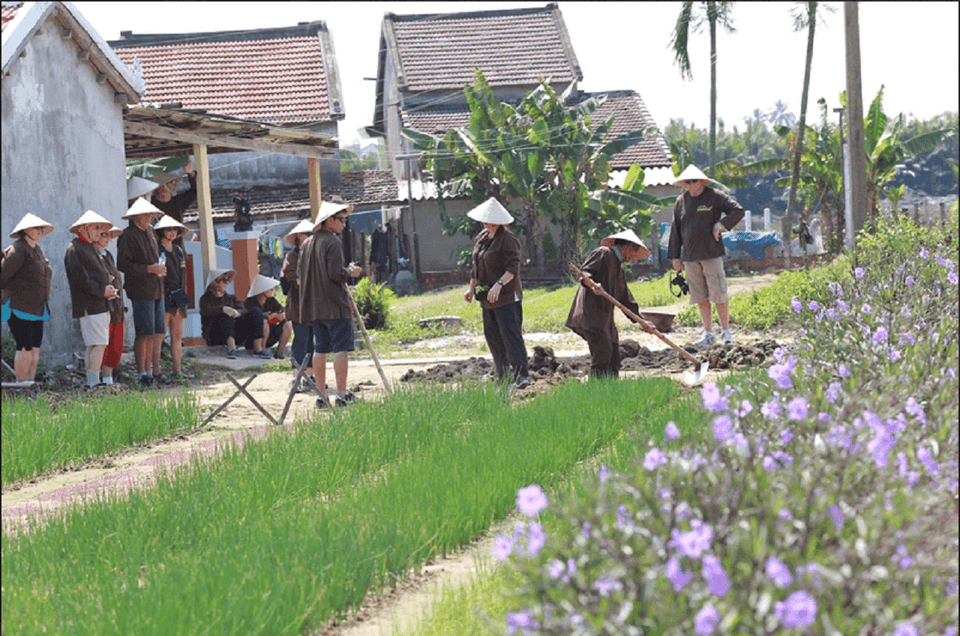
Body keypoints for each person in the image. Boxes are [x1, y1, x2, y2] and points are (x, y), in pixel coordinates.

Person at [666, 165, 745, 347]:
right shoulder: (681, 201)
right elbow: (675, 230)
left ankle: (726, 332)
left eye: (693, 181)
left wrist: (721, 224)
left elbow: (737, 211)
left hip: (711, 253)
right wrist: (675, 257)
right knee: (700, 296)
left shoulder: (715, 196)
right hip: (690, 256)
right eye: (687, 181)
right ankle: (708, 333)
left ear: (701, 181)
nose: (690, 184)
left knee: (718, 293)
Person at [566, 229, 655, 379]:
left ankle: (610, 391)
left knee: (614, 358)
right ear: (627, 247)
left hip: (606, 321)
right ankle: (594, 392)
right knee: (602, 356)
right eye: (634, 252)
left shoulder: (619, 270)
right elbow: (585, 273)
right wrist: (593, 284)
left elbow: (626, 300)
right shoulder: (603, 253)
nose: (633, 258)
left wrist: (641, 321)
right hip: (590, 315)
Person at [298, 202, 362, 408]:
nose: (344, 224)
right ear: (329, 221)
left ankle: (322, 396)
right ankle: (342, 395)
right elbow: (335, 273)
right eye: (341, 219)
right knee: (340, 349)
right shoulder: (332, 242)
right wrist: (350, 272)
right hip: (335, 305)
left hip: (315, 307)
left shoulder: (306, 244)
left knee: (320, 349)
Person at [464, 197, 532, 389]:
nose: (486, 222)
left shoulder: (508, 240)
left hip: (506, 296)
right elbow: (475, 267)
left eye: (489, 219)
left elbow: (513, 267)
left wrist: (499, 284)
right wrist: (471, 288)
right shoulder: (482, 238)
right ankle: (503, 376)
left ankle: (522, 375)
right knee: (492, 336)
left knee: (510, 335)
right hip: (487, 298)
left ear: (498, 221)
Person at [64, 210, 120, 390]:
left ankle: (92, 381)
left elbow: (94, 275)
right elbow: (81, 280)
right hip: (91, 304)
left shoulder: (86, 247)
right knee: (99, 343)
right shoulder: (76, 248)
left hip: (96, 303)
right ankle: (94, 382)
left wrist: (106, 284)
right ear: (85, 228)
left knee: (93, 344)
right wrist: (102, 291)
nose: (99, 232)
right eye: (97, 228)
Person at [117, 198, 167, 387]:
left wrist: (159, 269)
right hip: (140, 289)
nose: (150, 218)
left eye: (152, 215)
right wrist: (148, 269)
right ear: (137, 216)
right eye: (147, 215)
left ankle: (153, 370)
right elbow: (122, 264)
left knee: (156, 332)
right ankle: (142, 372)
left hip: (158, 288)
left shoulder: (152, 232)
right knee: (144, 331)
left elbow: (157, 258)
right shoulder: (127, 235)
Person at [1, 213, 54, 384]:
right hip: (18, 306)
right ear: (26, 230)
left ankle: (29, 387)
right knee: (24, 348)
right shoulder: (17, 250)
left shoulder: (37, 249)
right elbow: (3, 277)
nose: (40, 231)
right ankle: (20, 386)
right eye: (36, 228)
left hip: (37, 306)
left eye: (41, 228)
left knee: (35, 350)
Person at [155, 215, 192, 379]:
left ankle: (177, 370)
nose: (172, 232)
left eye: (175, 229)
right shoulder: (156, 249)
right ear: (161, 231)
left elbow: (183, 274)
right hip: (163, 296)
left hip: (178, 296)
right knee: (160, 336)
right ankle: (156, 371)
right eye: (168, 229)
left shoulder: (178, 251)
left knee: (177, 336)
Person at [281, 219, 315, 391]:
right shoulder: (292, 256)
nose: (308, 238)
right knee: (300, 340)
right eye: (306, 235)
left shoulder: (315, 254)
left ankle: (310, 376)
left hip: (314, 304)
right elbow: (289, 274)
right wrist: (301, 279)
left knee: (312, 342)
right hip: (297, 304)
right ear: (299, 237)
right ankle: (296, 378)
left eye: (310, 235)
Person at [94, 225, 126, 386]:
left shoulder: (109, 256)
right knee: (103, 342)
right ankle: (99, 379)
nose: (107, 239)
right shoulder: (92, 255)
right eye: (104, 235)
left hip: (117, 305)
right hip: (102, 305)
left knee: (116, 342)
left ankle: (109, 379)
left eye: (109, 236)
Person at [240, 274, 290, 359]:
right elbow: (248, 317)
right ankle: (261, 350)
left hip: (271, 334)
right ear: (262, 290)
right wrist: (267, 317)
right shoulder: (249, 303)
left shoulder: (271, 301)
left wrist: (281, 315)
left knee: (288, 323)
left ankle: (279, 352)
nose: (272, 290)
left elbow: (282, 310)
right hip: (253, 338)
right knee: (264, 322)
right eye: (270, 288)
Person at [198, 269, 245, 359]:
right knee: (225, 314)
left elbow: (243, 310)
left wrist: (237, 313)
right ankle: (232, 348)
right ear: (215, 283)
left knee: (254, 312)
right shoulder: (205, 299)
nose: (227, 283)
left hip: (235, 333)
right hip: (215, 335)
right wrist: (223, 309)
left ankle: (258, 348)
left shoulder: (232, 298)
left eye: (228, 280)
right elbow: (206, 311)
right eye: (224, 280)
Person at [151, 161, 197, 226]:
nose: (175, 184)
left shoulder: (178, 202)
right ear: (162, 185)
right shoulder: (149, 204)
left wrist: (191, 174)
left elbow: (195, 191)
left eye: (175, 181)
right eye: (172, 181)